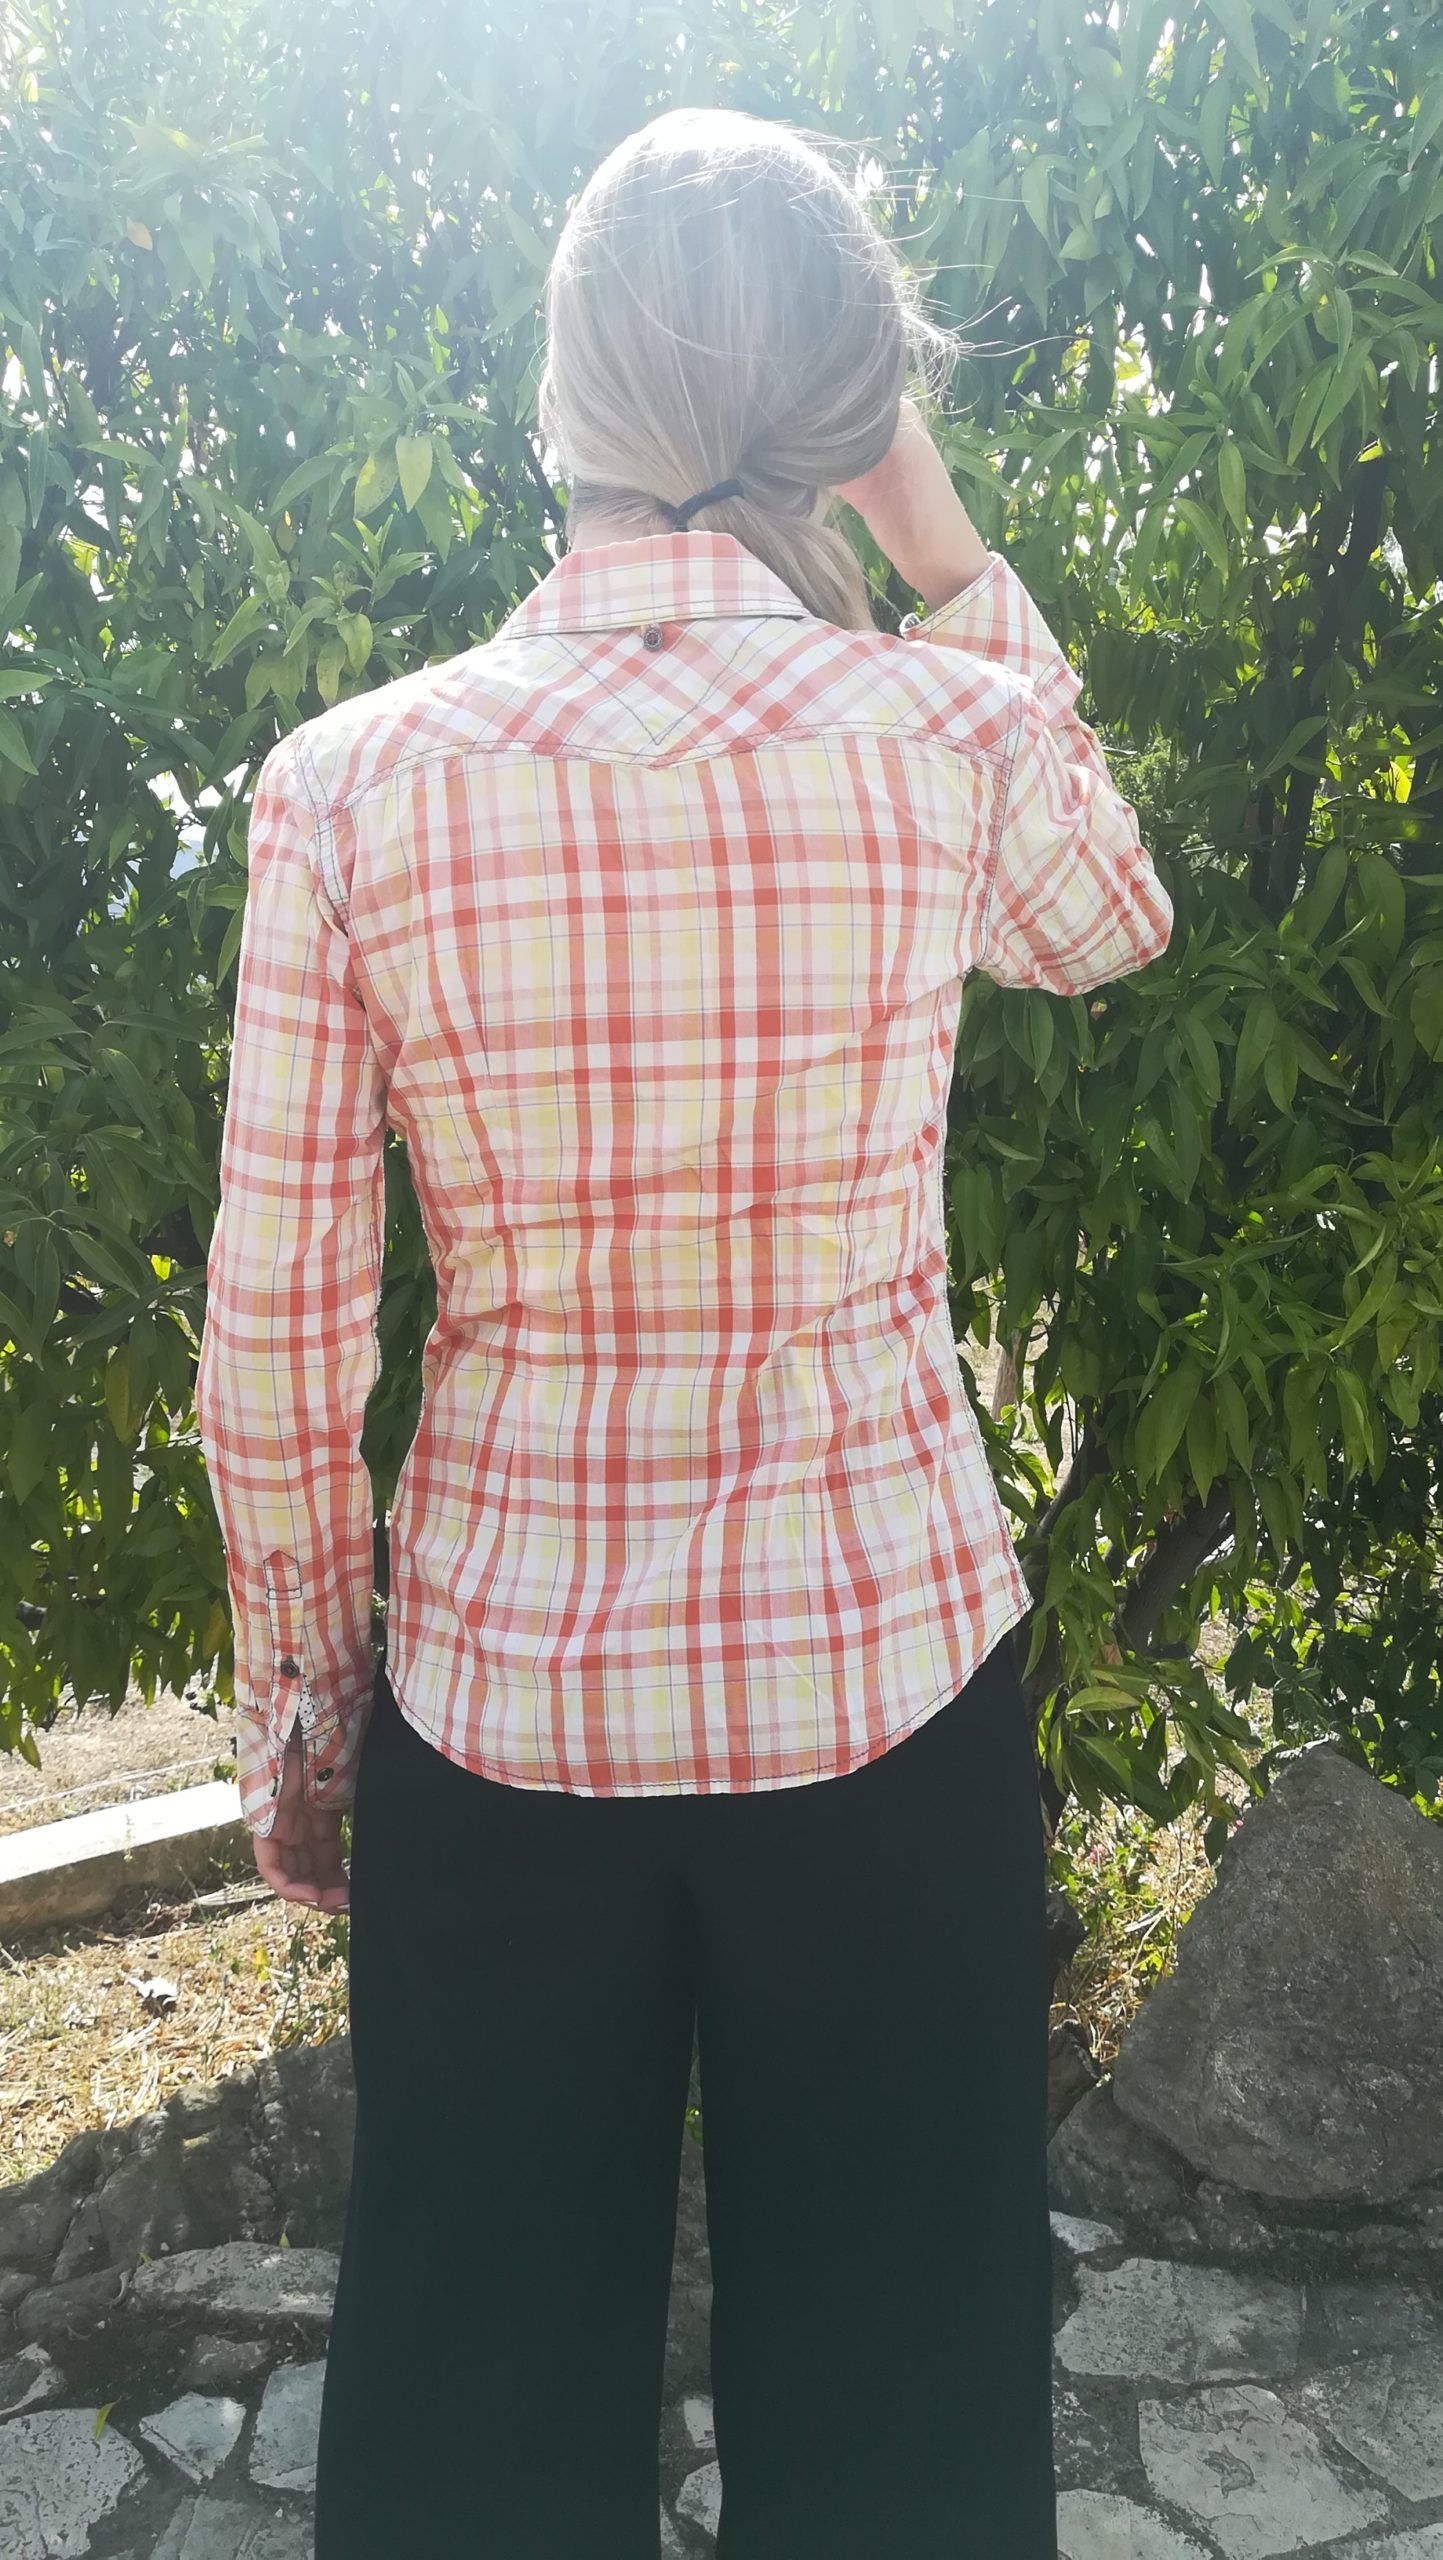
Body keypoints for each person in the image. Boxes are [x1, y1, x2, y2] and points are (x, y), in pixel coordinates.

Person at [194, 103, 1172, 2560]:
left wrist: (306, 1707)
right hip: (885, 1680)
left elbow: (280, 1324)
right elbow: (1108, 919)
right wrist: (930, 531)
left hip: (505, 1710)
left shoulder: (348, 787)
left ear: (563, 395)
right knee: (907, 2417)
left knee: (473, 2425)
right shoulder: (937, 735)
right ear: (845, 406)